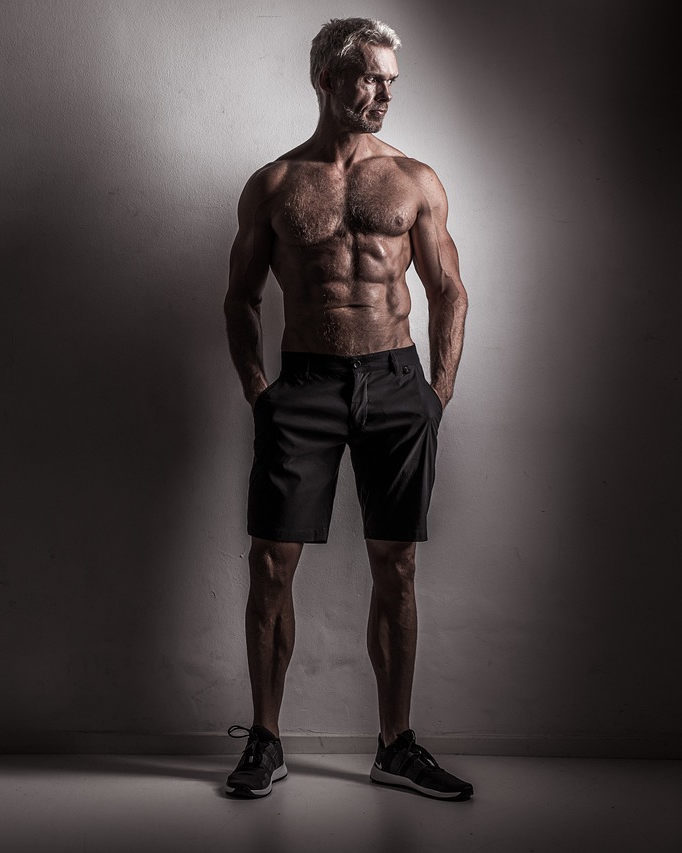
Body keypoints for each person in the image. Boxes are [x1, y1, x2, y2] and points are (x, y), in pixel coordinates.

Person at [222, 17, 472, 801]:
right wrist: (260, 390)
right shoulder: (274, 184)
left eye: (392, 81)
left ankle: (394, 744)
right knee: (271, 563)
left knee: (396, 565)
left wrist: (437, 392)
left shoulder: (416, 179)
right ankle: (266, 739)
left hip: (397, 385)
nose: (383, 94)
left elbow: (448, 290)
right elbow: (239, 296)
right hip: (304, 385)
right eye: (369, 77)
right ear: (327, 79)